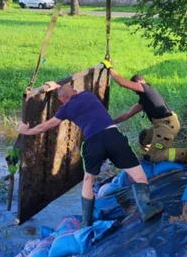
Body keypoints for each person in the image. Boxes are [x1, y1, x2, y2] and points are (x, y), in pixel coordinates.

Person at [18, 81, 163, 227]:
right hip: (113, 136)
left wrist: (27, 131)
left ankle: (86, 223)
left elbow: (46, 125)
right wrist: (58, 87)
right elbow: (71, 91)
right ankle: (145, 209)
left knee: (88, 180)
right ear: (74, 91)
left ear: (62, 100)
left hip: (93, 142)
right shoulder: (87, 95)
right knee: (139, 176)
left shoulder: (65, 109)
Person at [105, 64, 187, 165]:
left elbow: (121, 82)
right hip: (165, 124)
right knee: (144, 137)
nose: (134, 90)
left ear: (138, 82)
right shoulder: (145, 98)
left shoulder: (145, 87)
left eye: (133, 87)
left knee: (155, 156)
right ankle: (150, 156)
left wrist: (110, 68)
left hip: (166, 127)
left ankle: (186, 154)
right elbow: (128, 114)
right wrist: (111, 122)